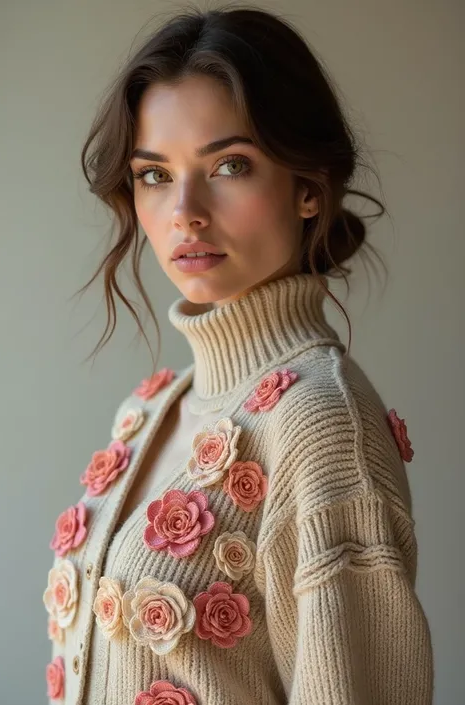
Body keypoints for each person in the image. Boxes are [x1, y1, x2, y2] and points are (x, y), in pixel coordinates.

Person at [43, 6, 434, 704]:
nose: (185, 210)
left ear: (308, 188)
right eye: (154, 174)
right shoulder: (152, 407)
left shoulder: (321, 421)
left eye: (230, 164)